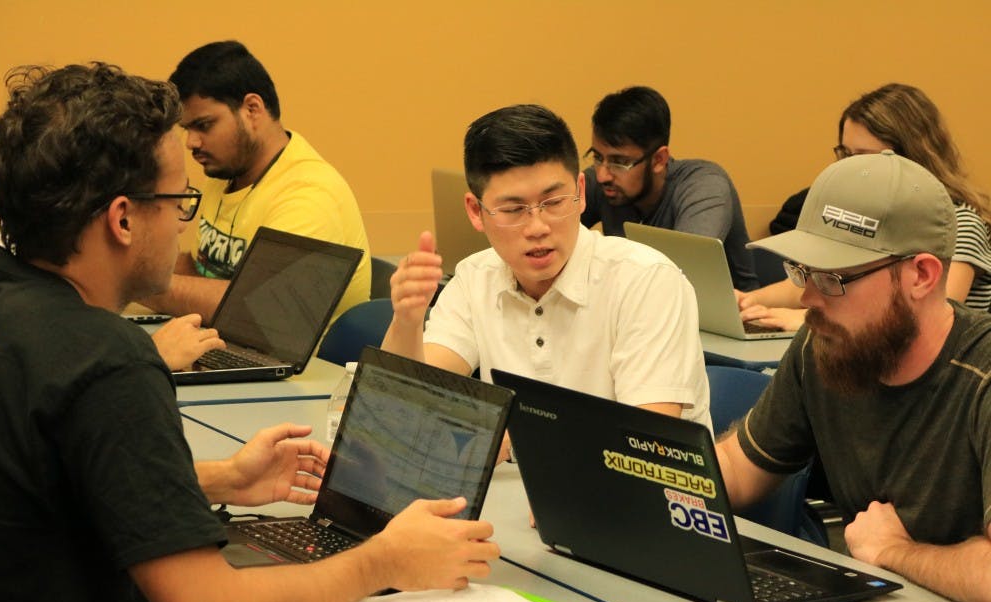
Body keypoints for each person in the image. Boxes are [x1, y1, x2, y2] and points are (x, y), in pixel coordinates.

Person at [0, 63, 498, 602]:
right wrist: (382, 560)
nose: (185, 221)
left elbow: (46, 478)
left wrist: (215, 480)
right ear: (123, 219)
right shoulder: (105, 361)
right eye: (178, 202)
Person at [717, 151, 991, 602]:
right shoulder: (826, 343)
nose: (807, 299)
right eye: (803, 272)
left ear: (921, 275)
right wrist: (617, 488)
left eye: (832, 279)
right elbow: (740, 470)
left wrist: (893, 552)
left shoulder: (981, 377)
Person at [383, 104, 712, 446]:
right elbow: (408, 398)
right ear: (475, 211)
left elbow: (646, 443)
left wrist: (510, 441)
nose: (538, 227)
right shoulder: (474, 277)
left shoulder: (647, 280)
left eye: (553, 203)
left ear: (581, 193)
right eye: (513, 210)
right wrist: (406, 320)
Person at [142, 40, 371, 328]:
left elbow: (255, 309)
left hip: (306, 369)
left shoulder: (311, 195)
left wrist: (137, 282)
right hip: (230, 349)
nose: (191, 143)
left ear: (252, 109)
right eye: (186, 129)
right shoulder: (227, 171)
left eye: (204, 125)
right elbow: (203, 270)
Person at [740, 83, 991, 330]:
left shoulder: (958, 223)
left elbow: (936, 312)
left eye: (864, 156)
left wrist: (806, 319)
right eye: (845, 154)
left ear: (908, 158)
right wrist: (747, 301)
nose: (849, 167)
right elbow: (813, 283)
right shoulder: (857, 216)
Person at [580, 86, 759, 291]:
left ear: (658, 160)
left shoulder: (704, 186)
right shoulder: (602, 183)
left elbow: (678, 281)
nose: (603, 175)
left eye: (619, 162)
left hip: (731, 318)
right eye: (597, 157)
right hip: (631, 311)